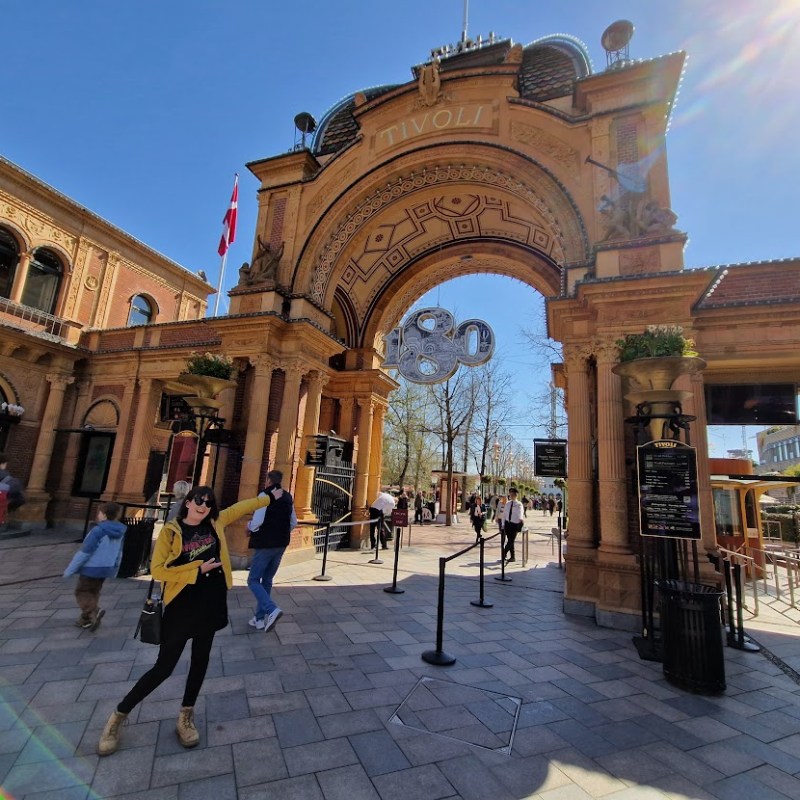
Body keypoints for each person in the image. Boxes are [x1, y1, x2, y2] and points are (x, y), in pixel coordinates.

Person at [97, 485, 279, 757]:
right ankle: (118, 716)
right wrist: (196, 569)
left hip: (211, 601)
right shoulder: (172, 531)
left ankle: (185, 715)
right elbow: (159, 570)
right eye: (198, 501)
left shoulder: (215, 523)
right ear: (188, 503)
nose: (203, 506)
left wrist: (268, 497)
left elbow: (242, 507)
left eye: (208, 502)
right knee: (164, 667)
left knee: (200, 660)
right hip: (182, 605)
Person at [63, 502, 126, 631]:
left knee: (82, 591)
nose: (98, 515)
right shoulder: (120, 531)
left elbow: (85, 552)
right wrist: (115, 568)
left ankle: (94, 610)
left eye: (99, 512)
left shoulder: (98, 530)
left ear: (103, 515)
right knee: (94, 592)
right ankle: (85, 620)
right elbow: (119, 551)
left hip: (91, 567)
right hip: (106, 567)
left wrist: (71, 569)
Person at [246, 470, 295, 632]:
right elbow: (293, 522)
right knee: (266, 580)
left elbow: (257, 521)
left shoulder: (264, 496)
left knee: (253, 580)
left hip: (265, 543)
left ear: (268, 480)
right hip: (281, 544)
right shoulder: (287, 496)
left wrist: (249, 527)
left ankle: (271, 609)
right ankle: (259, 618)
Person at [501, 487, 524, 563]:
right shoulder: (507, 504)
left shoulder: (519, 504)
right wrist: (503, 524)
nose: (512, 496)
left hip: (515, 524)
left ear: (516, 495)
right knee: (510, 541)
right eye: (511, 494)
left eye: (513, 494)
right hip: (508, 524)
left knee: (511, 541)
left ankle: (504, 553)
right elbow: (504, 514)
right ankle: (512, 557)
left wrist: (520, 520)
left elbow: (520, 513)